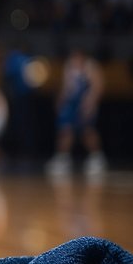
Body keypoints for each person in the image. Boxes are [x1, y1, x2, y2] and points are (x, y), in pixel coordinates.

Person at [47, 47, 105, 176]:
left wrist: (90, 102)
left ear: (82, 57)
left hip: (85, 103)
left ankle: (97, 158)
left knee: (87, 130)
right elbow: (66, 88)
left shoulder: (91, 67)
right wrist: (60, 101)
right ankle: (63, 159)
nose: (74, 60)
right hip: (71, 104)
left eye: (77, 58)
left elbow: (98, 86)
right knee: (65, 129)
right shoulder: (69, 68)